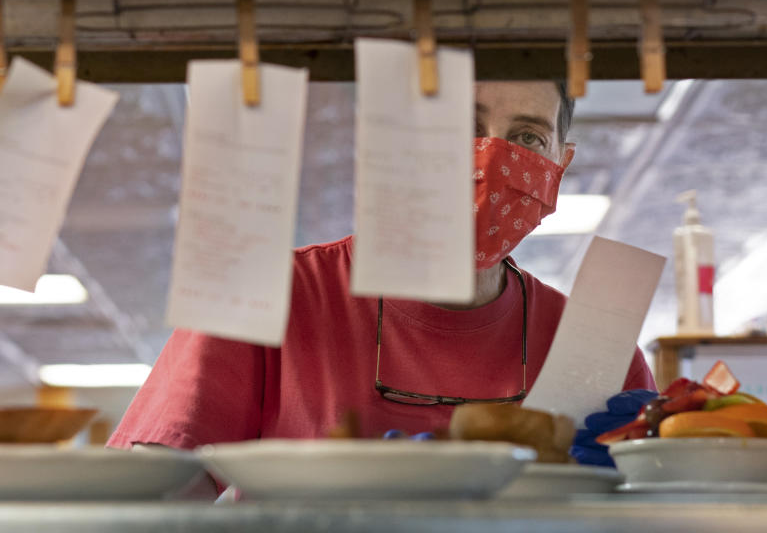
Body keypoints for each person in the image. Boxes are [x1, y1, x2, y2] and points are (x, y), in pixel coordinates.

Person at [109, 81, 657, 459]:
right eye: (460, 126)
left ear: (560, 165)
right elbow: (150, 497)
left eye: (528, 138)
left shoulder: (597, 344)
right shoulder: (265, 295)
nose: (492, 156)